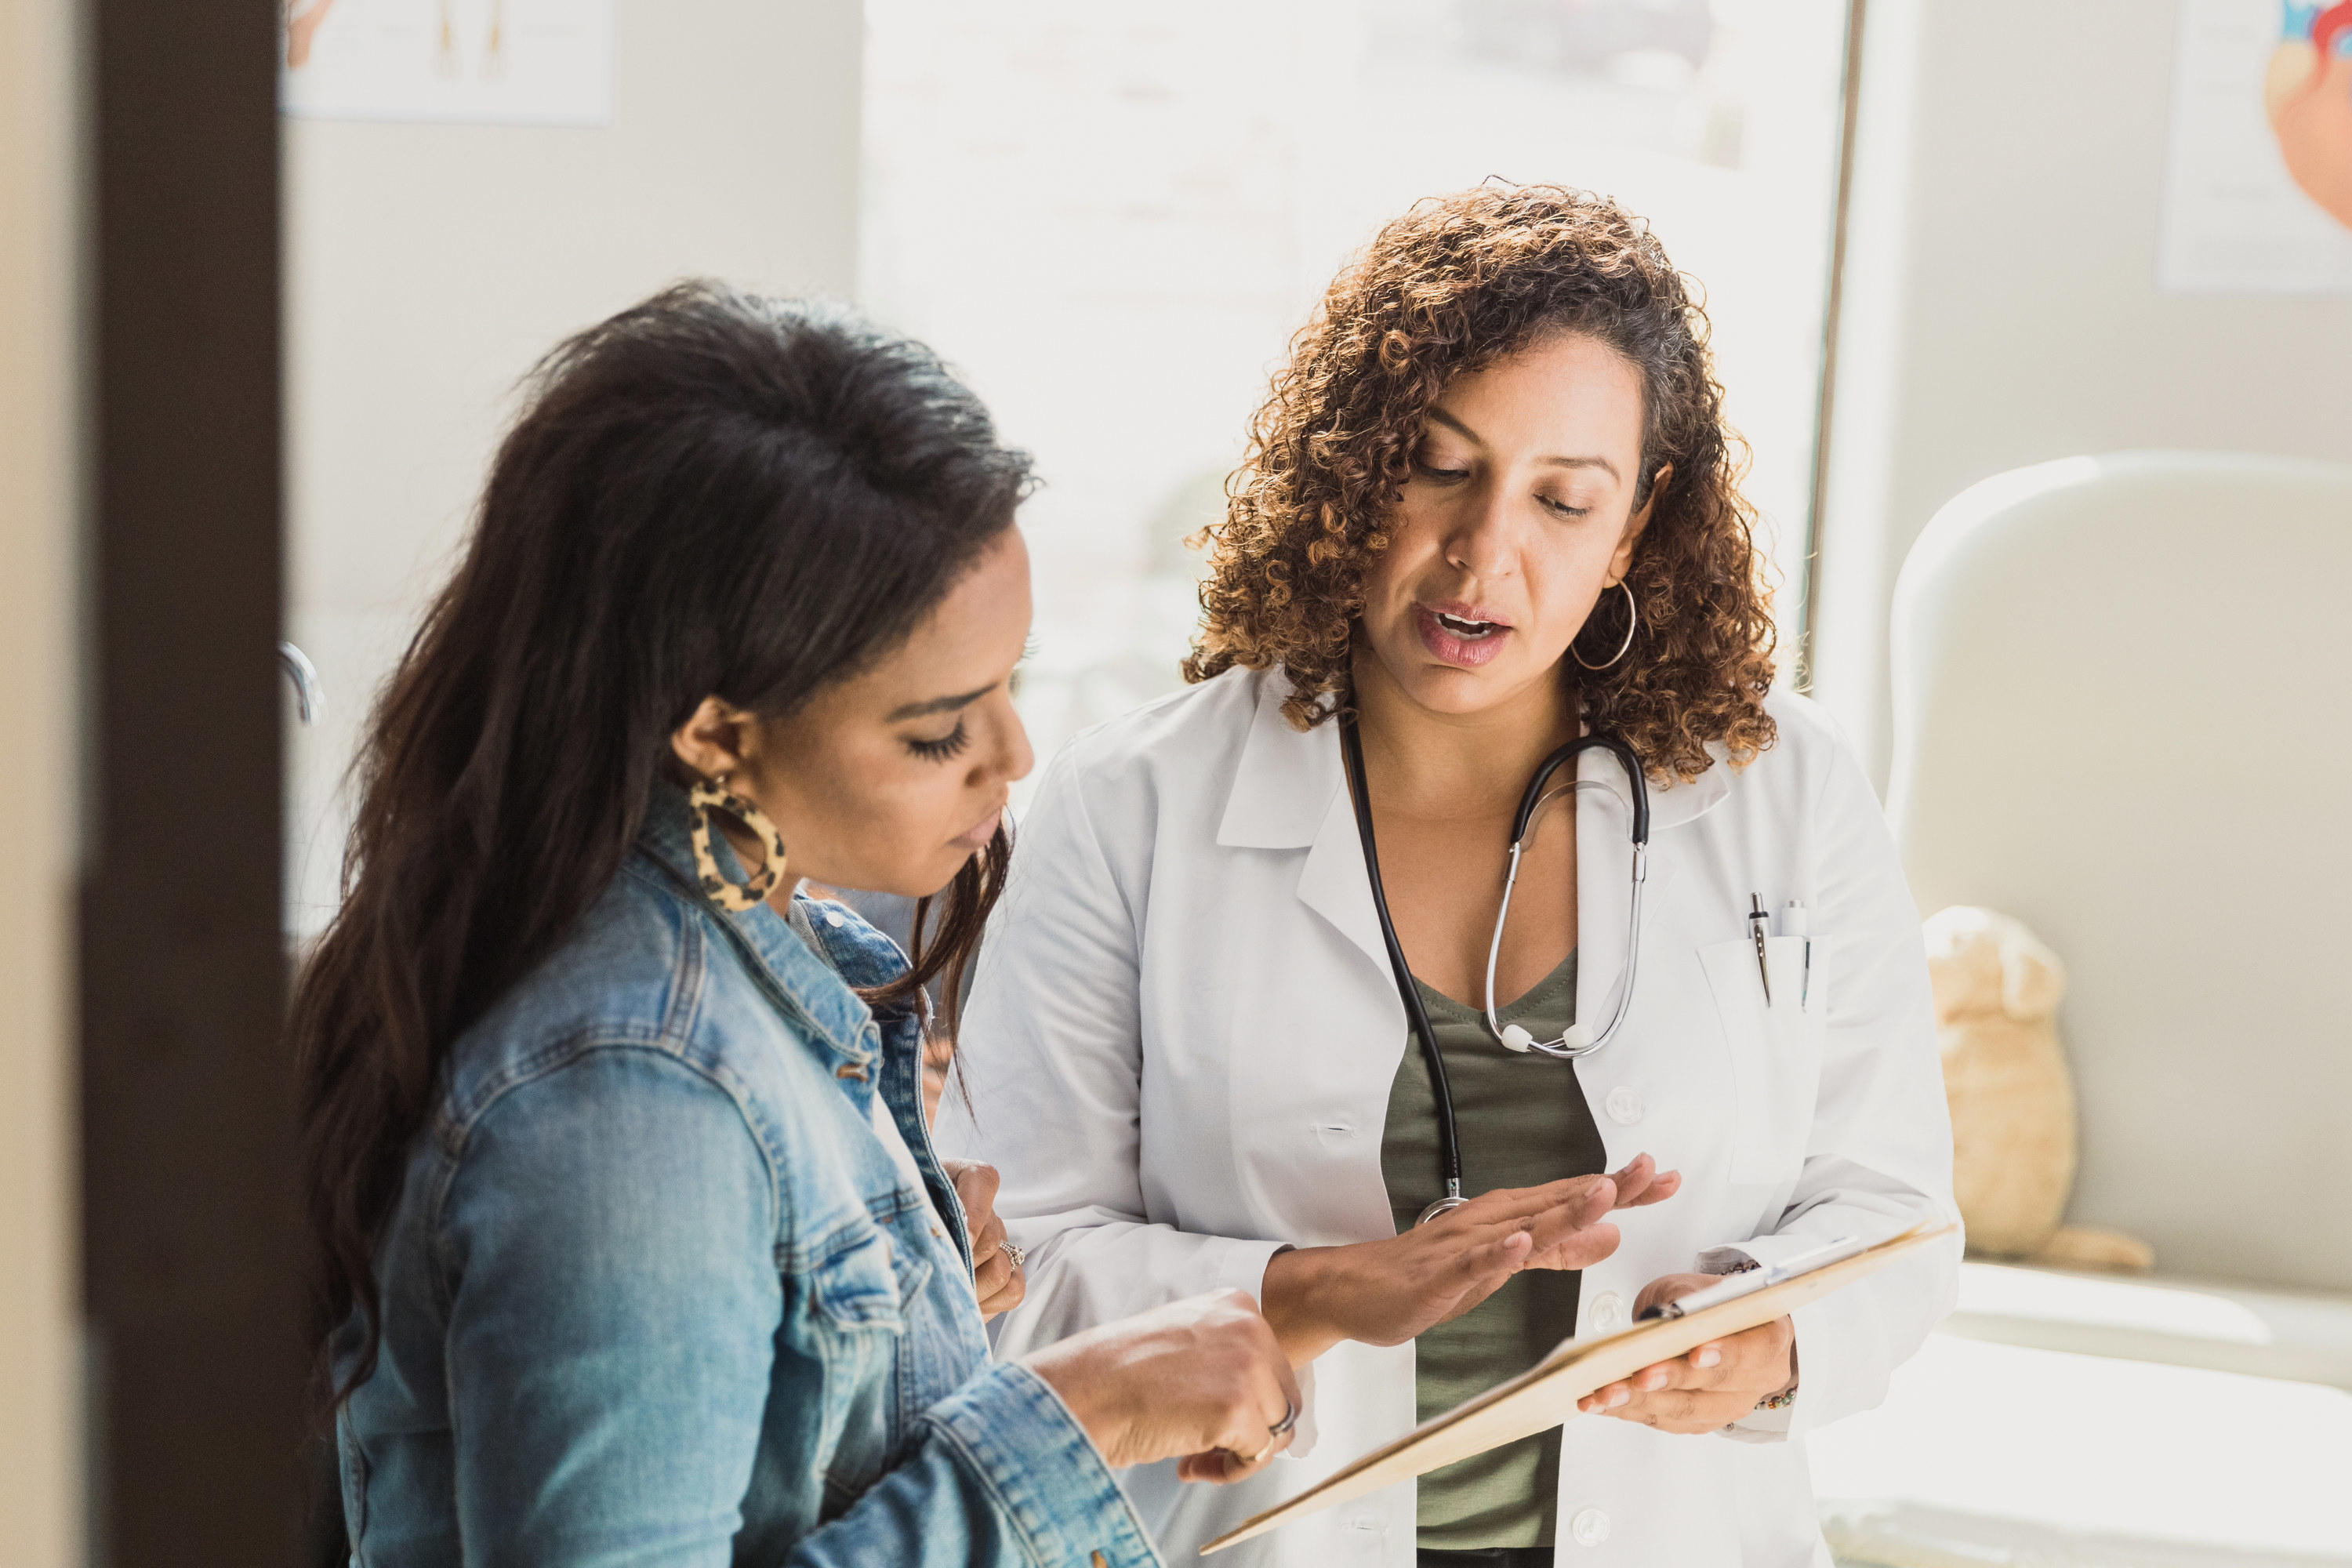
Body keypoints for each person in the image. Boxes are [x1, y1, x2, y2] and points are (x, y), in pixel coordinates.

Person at [940, 187, 1959, 1566]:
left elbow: (1895, 1211)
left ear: (1638, 525)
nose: (1485, 551)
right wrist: (1310, 1292)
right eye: (1439, 466)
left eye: (1562, 498)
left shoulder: (1782, 789)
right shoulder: (1131, 806)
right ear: (1357, 467)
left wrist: (1773, 1340)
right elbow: (1004, 1271)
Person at [290, 282, 1305, 1566]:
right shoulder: (635, 1095)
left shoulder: (761, 955)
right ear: (716, 733)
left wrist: (921, 1326)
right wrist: (1077, 1419)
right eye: (938, 729)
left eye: (1011, 684)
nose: (1013, 753)